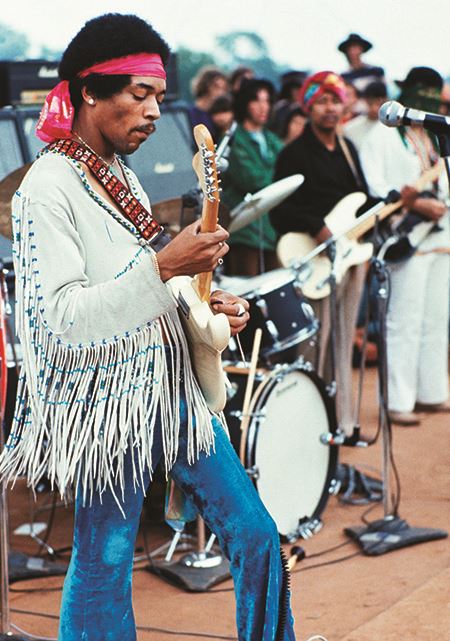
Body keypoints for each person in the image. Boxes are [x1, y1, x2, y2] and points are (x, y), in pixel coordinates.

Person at [0, 14, 296, 641]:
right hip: (105, 409)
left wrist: (206, 303)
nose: (155, 111)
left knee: (256, 534)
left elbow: (146, 281)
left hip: (171, 391)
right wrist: (166, 264)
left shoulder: (122, 176)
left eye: (159, 96)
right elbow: (59, 321)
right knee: (104, 562)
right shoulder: (44, 190)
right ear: (88, 92)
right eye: (139, 94)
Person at [270, 71, 376, 437]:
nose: (330, 109)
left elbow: (360, 199)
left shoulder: (348, 149)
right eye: (322, 102)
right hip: (313, 258)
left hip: (349, 258)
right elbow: (279, 210)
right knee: (314, 344)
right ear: (309, 106)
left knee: (344, 341)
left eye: (336, 100)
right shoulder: (293, 154)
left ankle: (341, 421)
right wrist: (318, 227)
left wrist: (393, 203)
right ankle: (306, 425)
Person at [360, 66, 450, 426]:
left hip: (441, 233)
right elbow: (374, 186)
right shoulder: (380, 136)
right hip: (405, 235)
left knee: (435, 318)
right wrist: (413, 203)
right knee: (404, 319)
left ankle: (432, 392)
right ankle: (398, 400)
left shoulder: (433, 134)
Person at [221, 78, 283, 276]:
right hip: (244, 231)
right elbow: (251, 179)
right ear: (245, 104)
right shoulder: (234, 139)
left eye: (267, 101)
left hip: (271, 230)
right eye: (257, 101)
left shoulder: (272, 139)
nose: (263, 107)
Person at [344, 81, 388, 151]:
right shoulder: (349, 128)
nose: (374, 109)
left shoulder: (393, 128)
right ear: (365, 101)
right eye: (371, 103)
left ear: (387, 101)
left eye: (379, 104)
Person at [188, 65, 229, 140]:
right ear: (206, 85)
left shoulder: (217, 115)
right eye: (216, 86)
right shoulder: (190, 113)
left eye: (223, 88)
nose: (220, 92)